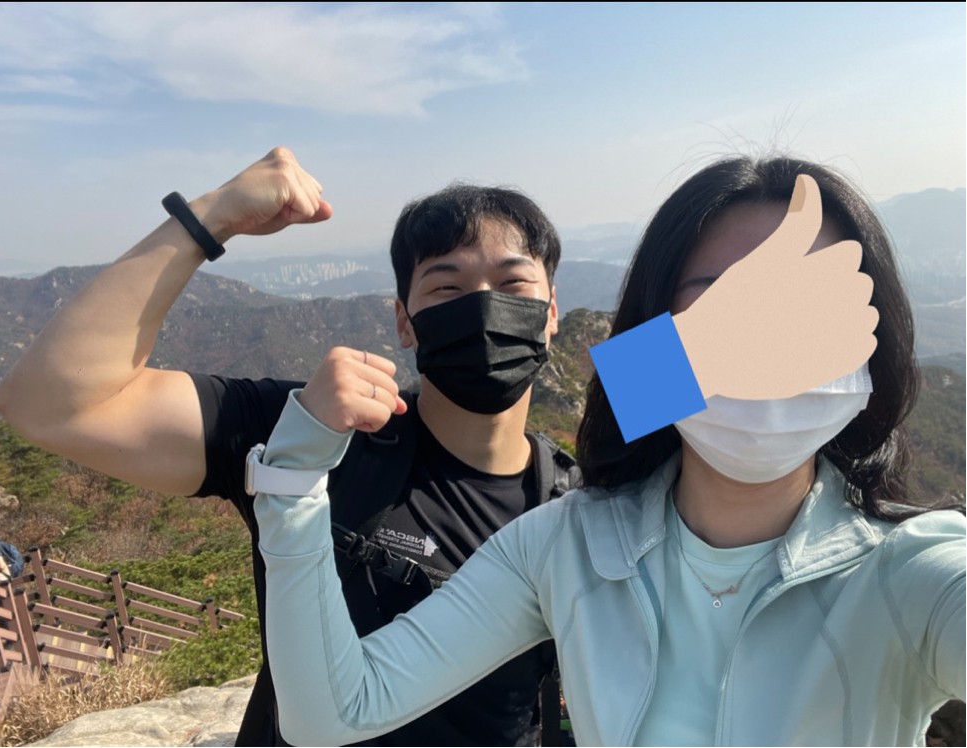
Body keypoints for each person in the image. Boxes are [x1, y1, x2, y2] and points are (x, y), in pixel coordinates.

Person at [252, 157, 966, 746]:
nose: (768, 344)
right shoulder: (564, 546)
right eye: (719, 303)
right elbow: (333, 713)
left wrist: (689, 357)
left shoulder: (908, 570)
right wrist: (294, 473)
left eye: (806, 307)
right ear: (656, 326)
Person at [0, 147, 581, 745]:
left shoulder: (582, 497)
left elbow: (647, 380)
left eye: (513, 283)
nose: (483, 308)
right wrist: (211, 216)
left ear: (552, 311)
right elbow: (47, 402)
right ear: (404, 322)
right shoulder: (311, 438)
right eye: (447, 287)